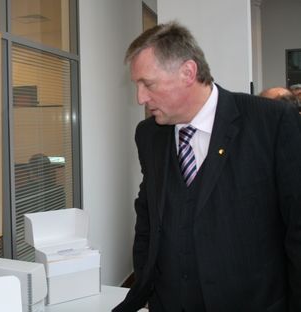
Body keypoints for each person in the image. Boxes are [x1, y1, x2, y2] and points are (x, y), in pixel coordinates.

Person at [113, 21, 301, 312]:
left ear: (188, 72)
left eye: (147, 84)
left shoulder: (271, 122)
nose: (140, 98)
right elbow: (148, 218)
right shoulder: (149, 135)